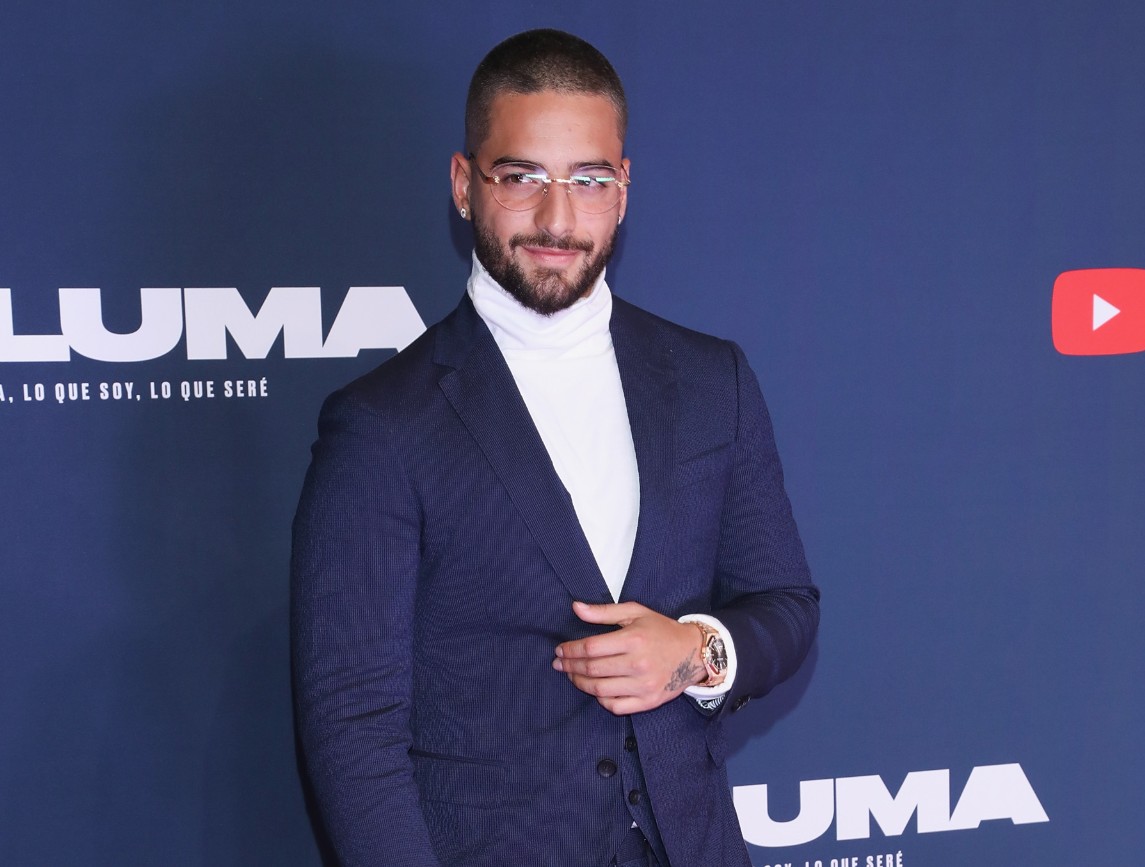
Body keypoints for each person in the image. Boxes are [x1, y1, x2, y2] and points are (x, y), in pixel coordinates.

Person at [291, 28, 819, 867]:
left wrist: (696, 649)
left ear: (623, 188)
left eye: (588, 179)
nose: (557, 218)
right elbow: (352, 727)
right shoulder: (383, 425)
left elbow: (785, 604)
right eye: (521, 176)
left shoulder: (710, 379)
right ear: (464, 185)